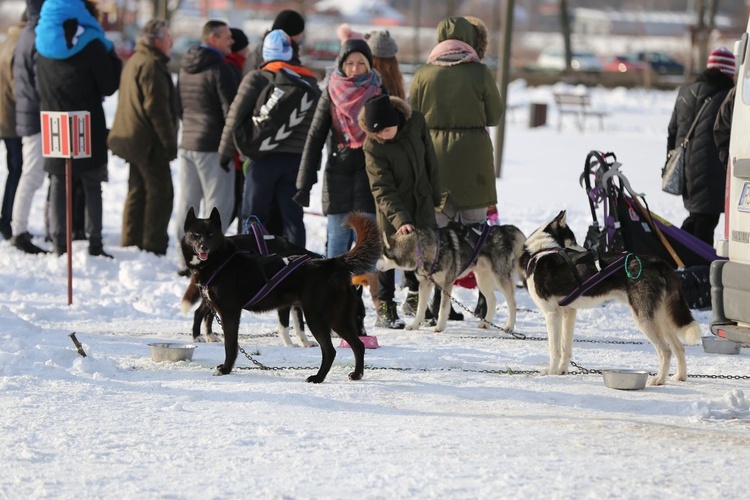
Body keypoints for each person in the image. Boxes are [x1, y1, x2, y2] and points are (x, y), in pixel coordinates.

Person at [408, 16, 502, 319]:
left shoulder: (423, 74)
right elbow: (495, 116)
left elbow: (412, 117)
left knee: (438, 235)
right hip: (474, 160)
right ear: (470, 39)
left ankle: (438, 302)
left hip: (434, 160)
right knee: (477, 234)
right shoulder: (481, 73)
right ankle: (483, 299)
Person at [294, 39, 385, 318]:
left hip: (370, 174)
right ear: (341, 65)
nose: (355, 68)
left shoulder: (379, 91)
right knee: (336, 247)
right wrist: (304, 182)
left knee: (368, 248)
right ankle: (332, 307)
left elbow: (393, 137)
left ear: (369, 65)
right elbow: (315, 137)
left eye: (361, 63)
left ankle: (380, 306)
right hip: (337, 176)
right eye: (350, 63)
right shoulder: (331, 92)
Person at [35, 0, 122, 257]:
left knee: (59, 181)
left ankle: (60, 242)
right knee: (92, 182)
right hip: (87, 122)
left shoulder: (41, 44)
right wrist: (112, 58)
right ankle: (95, 242)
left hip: (54, 122)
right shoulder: (93, 43)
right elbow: (108, 85)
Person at [218, 29, 319, 247]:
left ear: (265, 53)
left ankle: (251, 262)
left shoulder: (257, 77)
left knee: (253, 216)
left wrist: (226, 152)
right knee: (293, 218)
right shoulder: (310, 83)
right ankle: (298, 267)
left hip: (261, 157)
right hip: (296, 161)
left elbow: (234, 117)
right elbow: (317, 126)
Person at [360, 94, 441, 328]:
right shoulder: (372, 145)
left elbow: (430, 160)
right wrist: (400, 219)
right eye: (377, 133)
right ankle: (385, 305)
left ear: (396, 120)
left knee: (423, 253)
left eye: (386, 131)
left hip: (422, 199)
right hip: (392, 208)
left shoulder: (416, 121)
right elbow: (381, 188)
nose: (382, 137)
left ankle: (415, 299)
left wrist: (435, 195)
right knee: (390, 255)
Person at [108, 19, 179, 256]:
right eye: (168, 37)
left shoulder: (137, 59)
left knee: (137, 191)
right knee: (161, 193)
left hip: (135, 139)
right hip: (148, 143)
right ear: (157, 41)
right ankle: (153, 245)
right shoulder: (150, 64)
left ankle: (132, 240)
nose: (172, 41)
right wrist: (169, 144)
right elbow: (157, 109)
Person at [173, 20, 238, 276]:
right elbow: (230, 112)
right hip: (213, 146)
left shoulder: (185, 66)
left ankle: (183, 260)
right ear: (212, 38)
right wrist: (230, 146)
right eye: (227, 37)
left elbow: (178, 106)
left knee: (186, 205)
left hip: (188, 142)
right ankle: (213, 262)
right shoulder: (220, 68)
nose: (230, 42)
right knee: (217, 207)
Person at [667, 46, 736, 246]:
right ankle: (696, 269)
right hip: (712, 171)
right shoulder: (727, 97)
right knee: (704, 223)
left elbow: (672, 132)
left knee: (697, 219)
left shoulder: (685, 92)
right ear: (728, 71)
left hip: (686, 171)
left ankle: (680, 256)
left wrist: (673, 164)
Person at [10, 0, 47, 254]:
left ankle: (19, 228)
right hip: (34, 114)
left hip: (28, 111)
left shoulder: (27, 33)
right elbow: (40, 78)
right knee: (31, 175)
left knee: (30, 173)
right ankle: (19, 231)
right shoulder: (35, 35)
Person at [0, 16, 25, 241]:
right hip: (10, 119)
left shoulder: (6, 42)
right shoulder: (19, 46)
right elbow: (19, 89)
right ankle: (7, 221)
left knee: (14, 169)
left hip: (4, 116)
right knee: (16, 170)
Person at [225, 27, 250, 232]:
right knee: (234, 201)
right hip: (234, 148)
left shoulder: (230, 66)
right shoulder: (235, 69)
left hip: (227, 146)